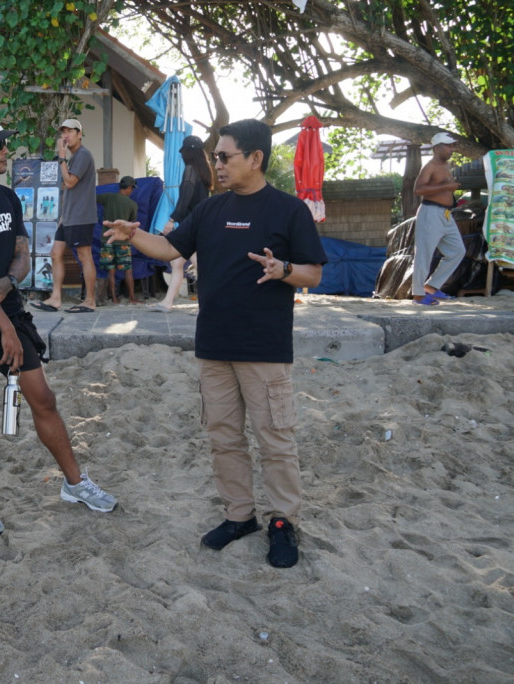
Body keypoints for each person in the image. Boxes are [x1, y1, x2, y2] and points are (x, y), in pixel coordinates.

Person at [103, 119, 326, 568]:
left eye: (225, 157)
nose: (217, 165)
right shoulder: (209, 210)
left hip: (264, 349)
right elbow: (169, 249)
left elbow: (313, 273)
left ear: (255, 159)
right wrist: (135, 235)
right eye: (215, 157)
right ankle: (239, 515)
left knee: (275, 440)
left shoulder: (288, 211)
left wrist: (283, 270)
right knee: (224, 438)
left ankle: (283, 521)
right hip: (214, 348)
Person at [0, 108, 117, 537]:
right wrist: (6, 327)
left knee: (43, 397)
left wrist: (10, 281)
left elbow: (20, 252)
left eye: (4, 141)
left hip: (6, 306)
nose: (5, 150)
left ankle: (75, 483)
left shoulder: (8, 198)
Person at [32, 118, 98, 314]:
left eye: (70, 131)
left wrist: (61, 157)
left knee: (84, 256)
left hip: (81, 216)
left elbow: (69, 183)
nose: (66, 135)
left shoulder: (83, 155)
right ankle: (56, 298)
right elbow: (68, 190)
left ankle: (90, 301)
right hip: (68, 216)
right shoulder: (75, 156)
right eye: (63, 132)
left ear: (79, 134)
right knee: (55, 254)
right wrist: (62, 215)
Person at [151, 135, 213, 312]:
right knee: (177, 264)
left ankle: (206, 306)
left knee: (199, 266)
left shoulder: (191, 170)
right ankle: (167, 302)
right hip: (197, 223)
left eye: (184, 152)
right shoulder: (204, 170)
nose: (182, 155)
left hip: (191, 225)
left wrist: (171, 220)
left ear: (189, 152)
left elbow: (185, 198)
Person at [411, 132, 465, 305]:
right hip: (430, 213)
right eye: (448, 146)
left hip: (446, 214)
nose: (451, 149)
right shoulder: (430, 166)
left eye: (452, 146)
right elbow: (418, 190)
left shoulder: (446, 165)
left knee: (458, 250)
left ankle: (432, 286)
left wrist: (449, 188)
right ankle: (418, 295)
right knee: (424, 255)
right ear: (436, 148)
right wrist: (447, 186)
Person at [96, 176, 140, 304]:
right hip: (124, 241)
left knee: (111, 270)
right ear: (130, 187)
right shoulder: (132, 204)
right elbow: (132, 225)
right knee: (128, 270)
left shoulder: (108, 197)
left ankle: (114, 298)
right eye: (132, 188)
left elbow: (93, 198)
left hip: (107, 240)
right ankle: (132, 298)